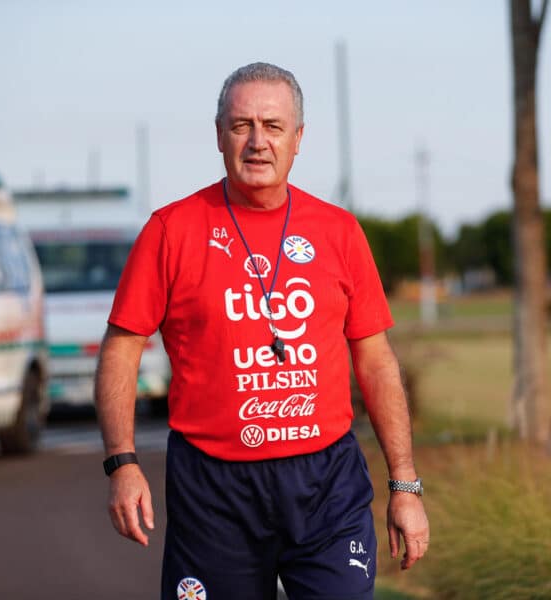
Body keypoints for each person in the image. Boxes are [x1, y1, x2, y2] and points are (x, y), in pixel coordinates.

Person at [95, 62, 429, 600]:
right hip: (214, 489)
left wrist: (405, 486)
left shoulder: (339, 232)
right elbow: (123, 347)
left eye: (273, 126)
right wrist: (122, 461)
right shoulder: (170, 230)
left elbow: (375, 360)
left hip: (326, 486)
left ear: (298, 139)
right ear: (219, 135)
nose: (257, 142)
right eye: (241, 125)